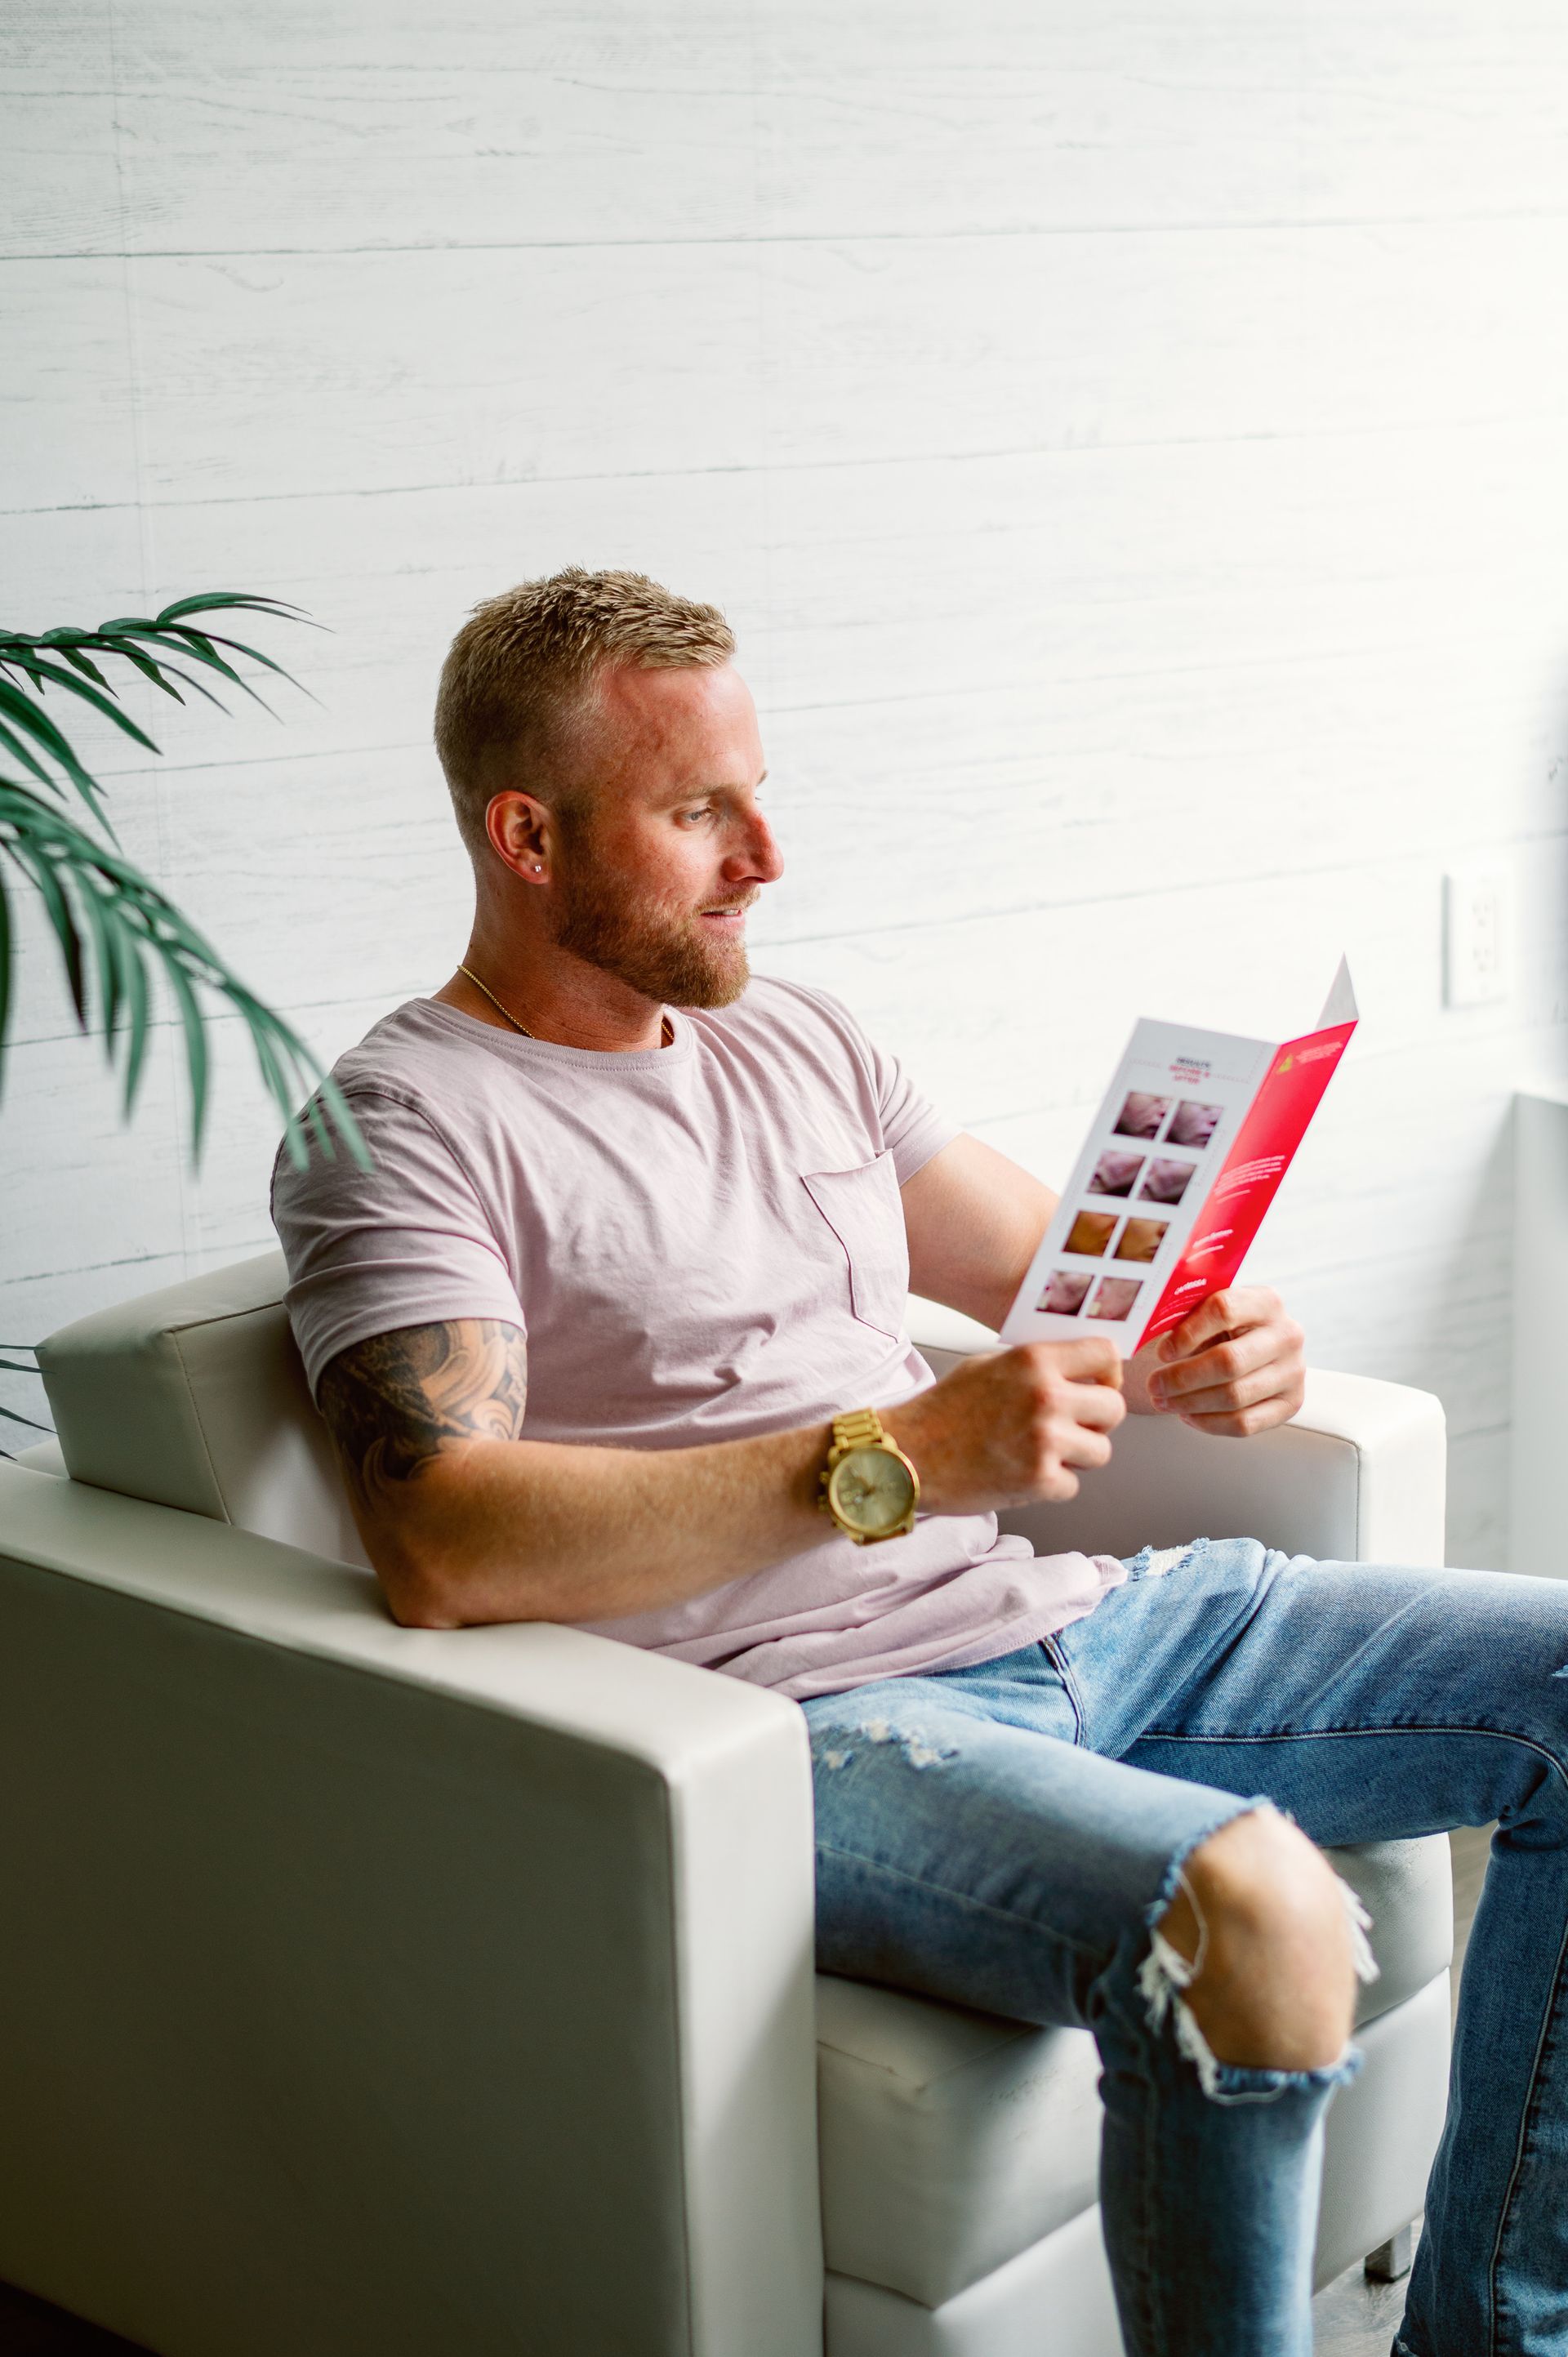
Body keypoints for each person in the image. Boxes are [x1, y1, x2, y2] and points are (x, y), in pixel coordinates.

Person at [272, 569, 1568, 2357]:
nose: (767, 855)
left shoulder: (804, 1039)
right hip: (818, 1727)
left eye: (759, 790)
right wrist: (892, 1457)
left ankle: (1495, 2334)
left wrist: (1223, 1337)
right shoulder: (407, 1122)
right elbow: (442, 1537)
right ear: (528, 835)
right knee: (1252, 1908)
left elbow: (1062, 1291)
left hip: (1098, 1626)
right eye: (698, 811)